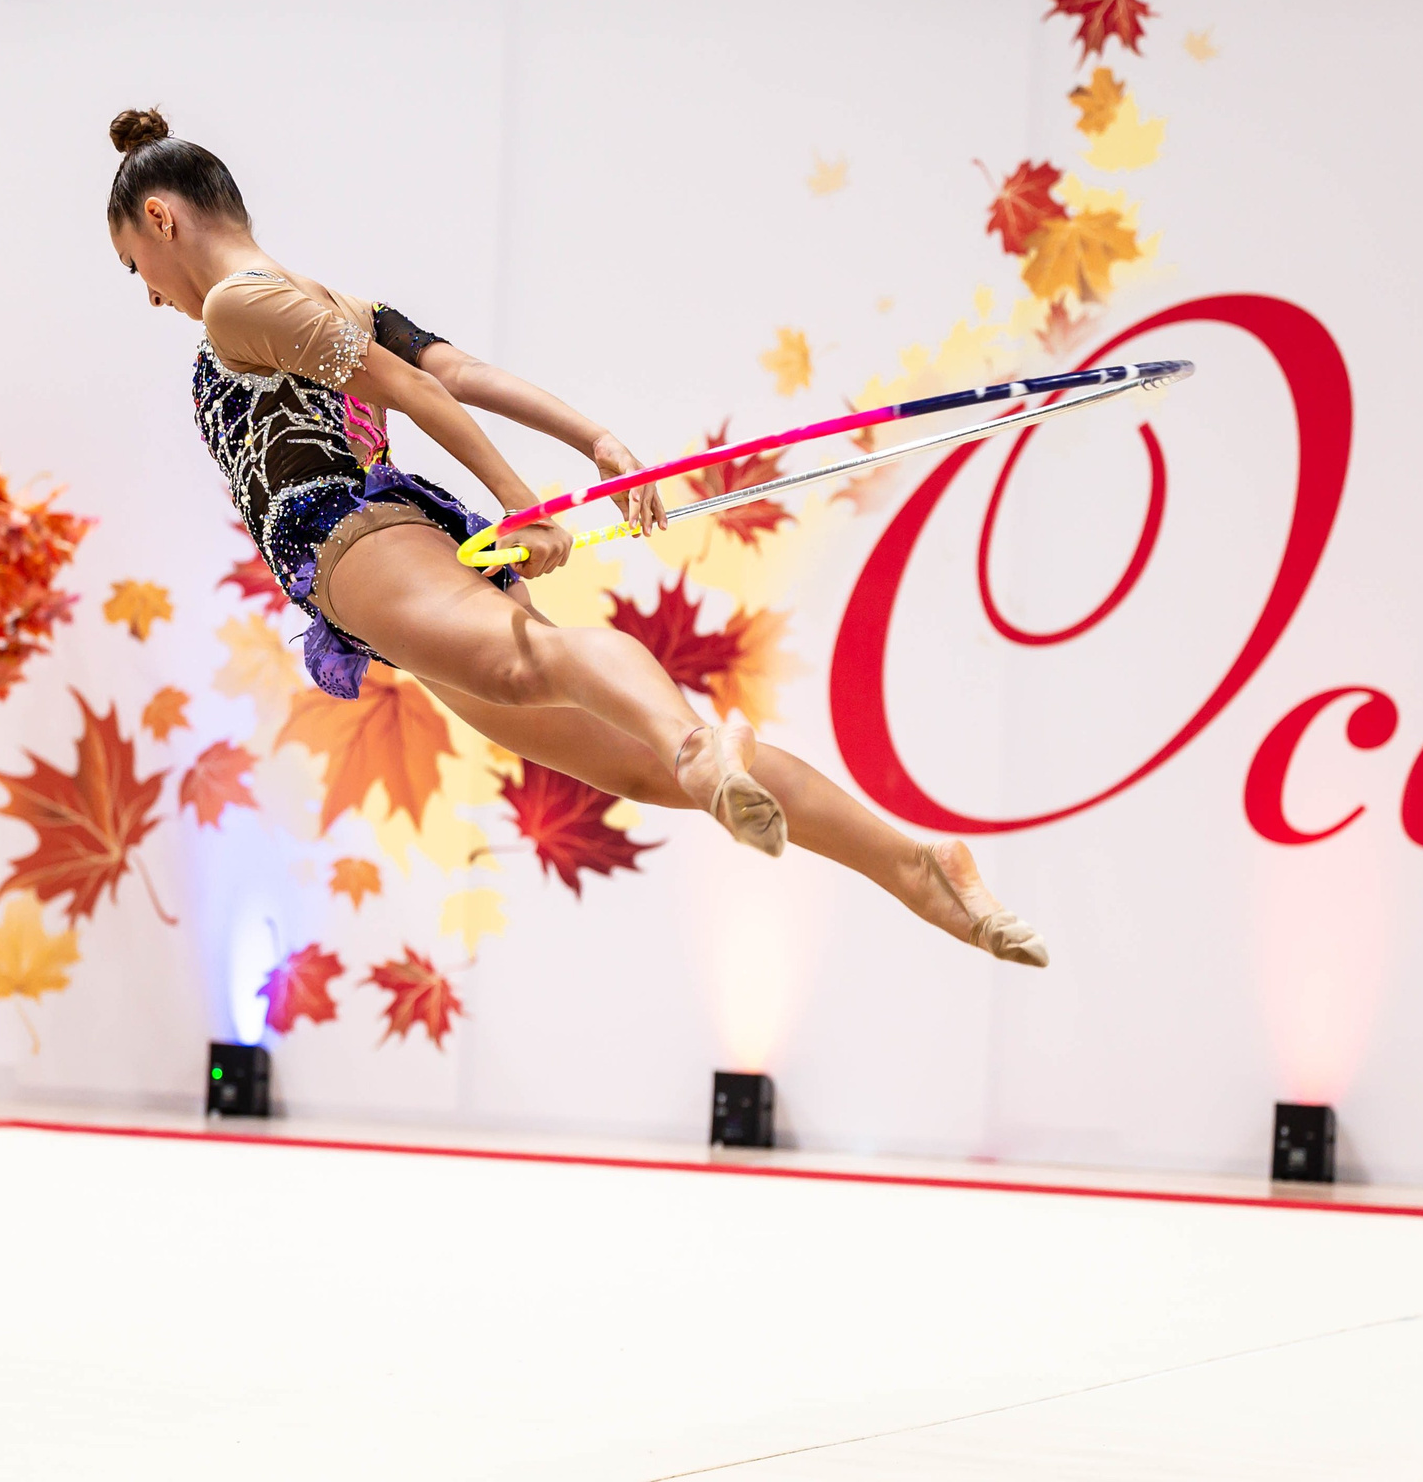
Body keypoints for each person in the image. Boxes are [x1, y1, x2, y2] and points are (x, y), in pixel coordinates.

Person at [106, 107, 1046, 966]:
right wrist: (593, 438)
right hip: (387, 562)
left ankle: (696, 744)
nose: (147, 295)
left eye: (131, 267)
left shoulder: (238, 303)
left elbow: (419, 392)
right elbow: (461, 370)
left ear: (161, 219)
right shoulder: (328, 298)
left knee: (537, 668)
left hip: (359, 540)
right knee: (623, 756)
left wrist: (524, 502)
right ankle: (911, 862)